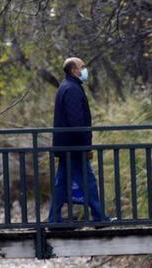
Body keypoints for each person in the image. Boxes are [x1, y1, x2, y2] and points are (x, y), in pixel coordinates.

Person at [47, 57, 114, 224]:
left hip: (67, 146)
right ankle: (99, 217)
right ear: (74, 70)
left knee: (61, 184)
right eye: (82, 67)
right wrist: (86, 147)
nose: (85, 70)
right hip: (74, 146)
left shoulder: (67, 87)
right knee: (88, 181)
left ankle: (54, 219)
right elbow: (76, 121)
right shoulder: (72, 89)